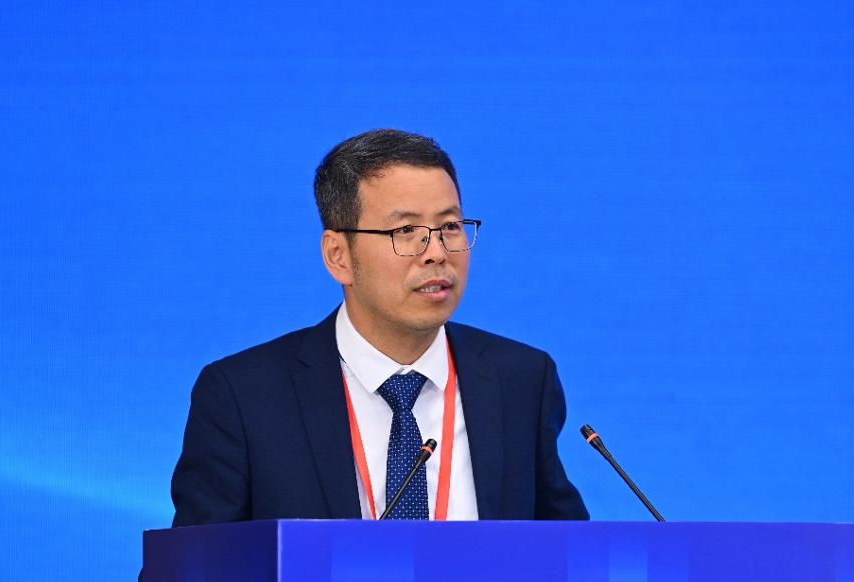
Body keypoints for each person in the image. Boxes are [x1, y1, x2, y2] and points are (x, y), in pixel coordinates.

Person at [170, 128, 588, 525]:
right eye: (405, 231)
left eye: (449, 226)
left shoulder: (521, 381)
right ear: (338, 256)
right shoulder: (245, 397)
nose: (437, 252)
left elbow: (572, 554)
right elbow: (190, 570)